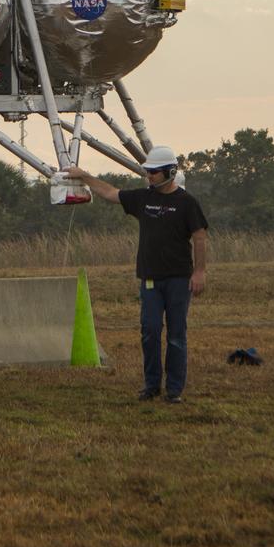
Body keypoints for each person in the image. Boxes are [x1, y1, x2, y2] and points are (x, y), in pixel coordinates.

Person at [68, 145, 208, 403]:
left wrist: (199, 272)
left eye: (154, 172)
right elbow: (110, 193)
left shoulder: (187, 203)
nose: (149, 176)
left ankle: (174, 390)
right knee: (150, 331)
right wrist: (83, 176)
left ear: (170, 172)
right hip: (150, 279)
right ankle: (151, 385)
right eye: (148, 172)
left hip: (178, 279)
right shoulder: (143, 198)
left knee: (176, 335)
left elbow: (200, 237)